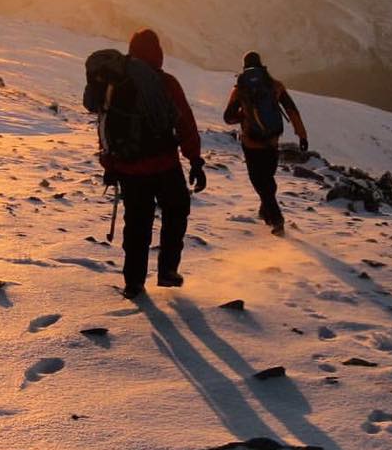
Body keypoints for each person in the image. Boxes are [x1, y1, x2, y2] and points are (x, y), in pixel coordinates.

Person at [89, 28, 205, 299]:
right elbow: (185, 123)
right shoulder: (166, 83)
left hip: (129, 169)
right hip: (164, 165)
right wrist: (195, 160)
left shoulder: (114, 84)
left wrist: (110, 165)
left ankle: (133, 282)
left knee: (137, 225)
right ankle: (167, 270)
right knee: (176, 212)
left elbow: (105, 127)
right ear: (158, 53)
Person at [223, 51, 307, 236]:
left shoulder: (240, 89)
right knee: (268, 180)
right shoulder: (275, 86)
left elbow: (228, 117)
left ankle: (276, 219)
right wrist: (302, 136)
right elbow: (292, 110)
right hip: (271, 142)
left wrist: (244, 116)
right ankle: (266, 211)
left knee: (260, 182)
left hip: (251, 143)